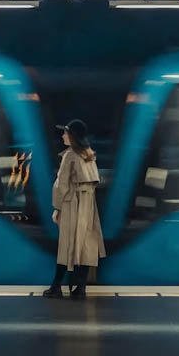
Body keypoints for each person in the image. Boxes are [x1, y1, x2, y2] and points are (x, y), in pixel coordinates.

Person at [45, 119, 106, 298]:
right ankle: (80, 288)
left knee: (67, 245)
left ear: (73, 136)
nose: (63, 135)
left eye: (65, 132)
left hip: (72, 203)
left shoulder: (69, 155)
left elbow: (61, 184)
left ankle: (56, 287)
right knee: (86, 244)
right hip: (88, 204)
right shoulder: (89, 154)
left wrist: (57, 208)